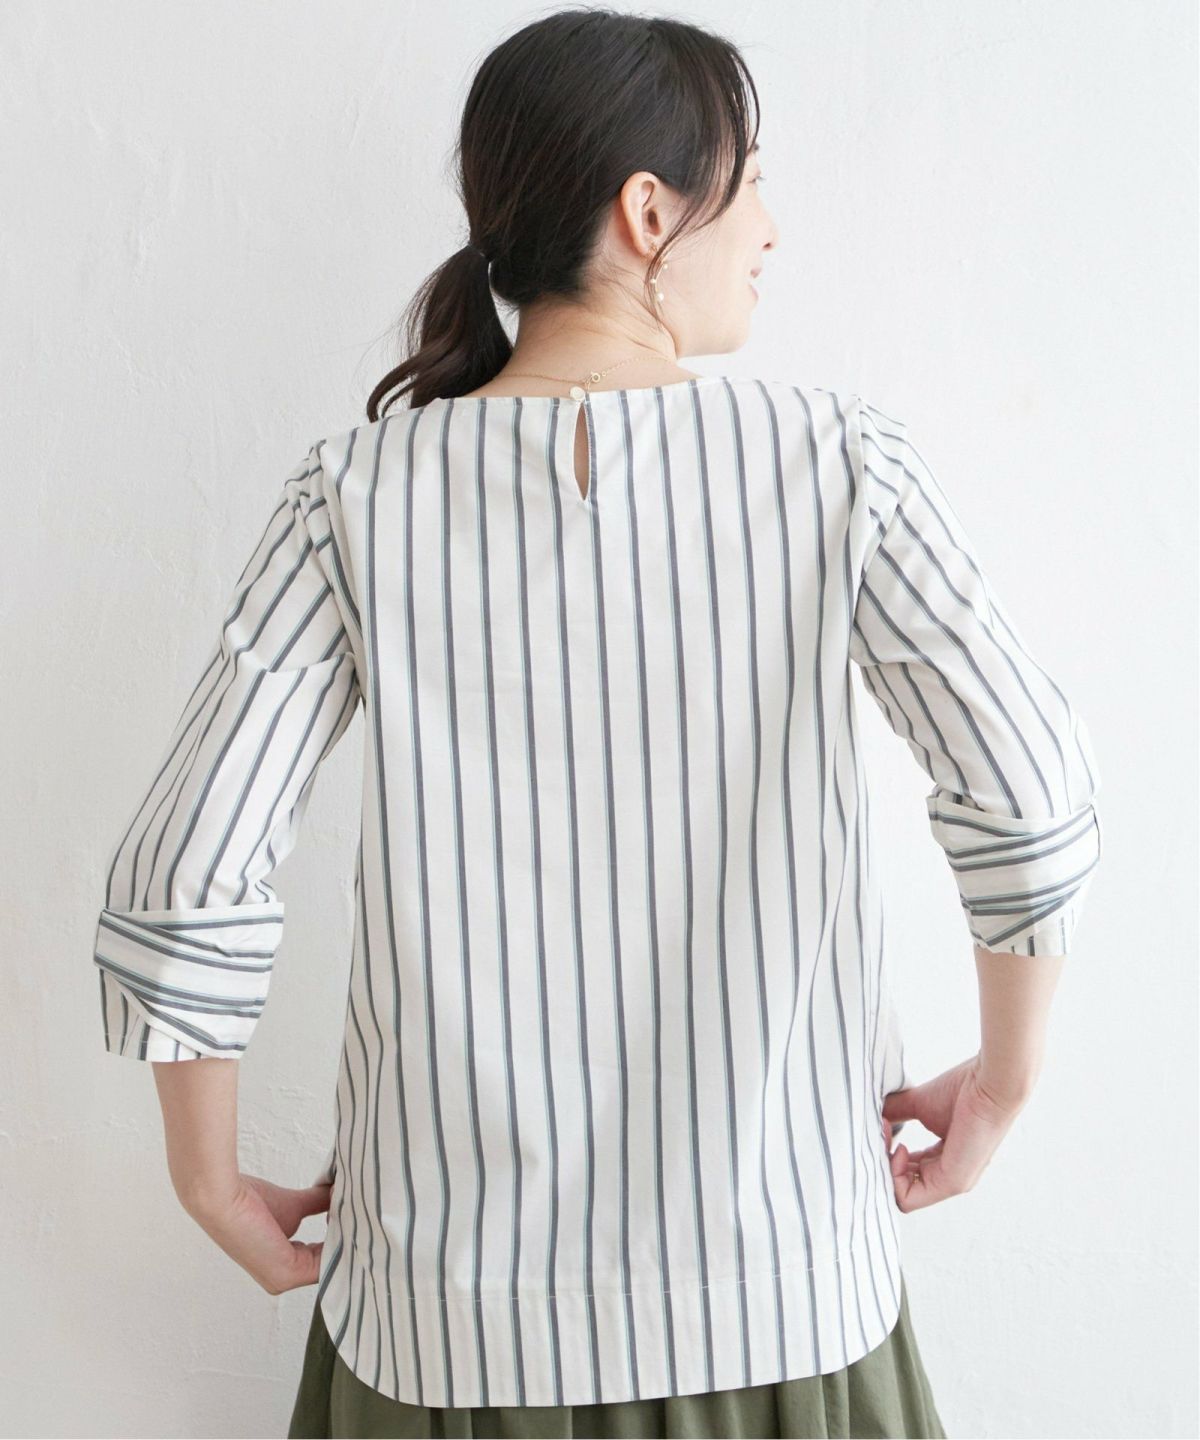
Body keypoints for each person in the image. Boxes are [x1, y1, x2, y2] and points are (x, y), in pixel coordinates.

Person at [91, 9, 1102, 1438]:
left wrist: (208, 1183)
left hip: (447, 1332)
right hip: (783, 1300)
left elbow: (186, 864)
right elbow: (1029, 792)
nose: (772, 227)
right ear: (648, 212)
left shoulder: (355, 496)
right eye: (752, 182)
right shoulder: (837, 464)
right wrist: (1001, 1086)